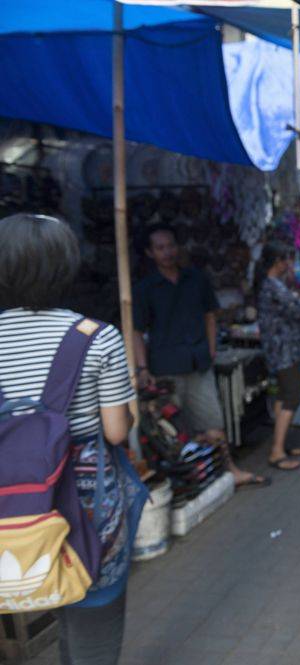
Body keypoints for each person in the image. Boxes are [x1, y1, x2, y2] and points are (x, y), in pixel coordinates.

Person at [0, 213, 135, 664]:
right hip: (87, 504)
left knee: (50, 599)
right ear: (66, 267)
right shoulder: (98, 338)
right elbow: (117, 431)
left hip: (12, 507)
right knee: (92, 620)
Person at [132, 224, 267, 488]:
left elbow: (210, 315)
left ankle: (228, 470)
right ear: (150, 253)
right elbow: (137, 331)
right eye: (160, 248)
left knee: (213, 421)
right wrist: (142, 368)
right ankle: (193, 480)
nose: (167, 252)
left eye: (170, 245)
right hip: (165, 366)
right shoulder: (145, 288)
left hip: (198, 362)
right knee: (174, 430)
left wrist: (211, 348)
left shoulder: (195, 278)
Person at [256, 242, 300, 471]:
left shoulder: (271, 285)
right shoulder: (274, 286)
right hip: (285, 352)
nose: (290, 264)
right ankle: (277, 451)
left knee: (283, 396)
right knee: (292, 395)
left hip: (281, 351)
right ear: (278, 262)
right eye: (286, 260)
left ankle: (281, 444)